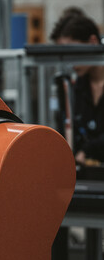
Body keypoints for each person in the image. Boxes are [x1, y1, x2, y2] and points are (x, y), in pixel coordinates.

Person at [51, 11, 104, 166]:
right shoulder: (73, 89)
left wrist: (87, 150)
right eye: (65, 56)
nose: (71, 62)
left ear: (93, 42)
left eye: (74, 53)